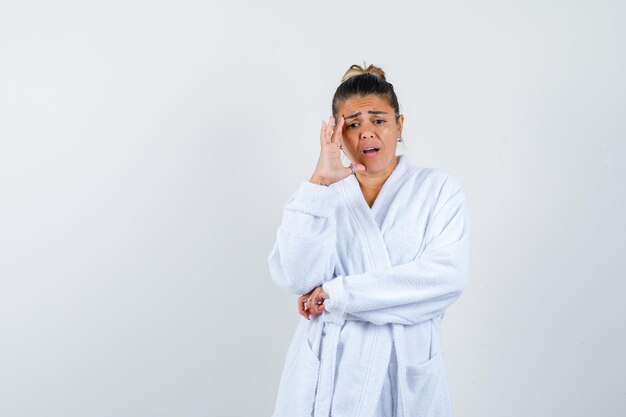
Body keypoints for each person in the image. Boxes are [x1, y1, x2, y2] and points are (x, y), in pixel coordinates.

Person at [267, 63, 471, 417]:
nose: (366, 134)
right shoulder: (320, 196)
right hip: (330, 373)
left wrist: (339, 293)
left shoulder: (438, 189)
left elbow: (446, 277)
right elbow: (298, 279)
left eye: (378, 120)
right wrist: (319, 181)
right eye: (353, 124)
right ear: (336, 133)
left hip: (402, 368)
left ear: (399, 125)